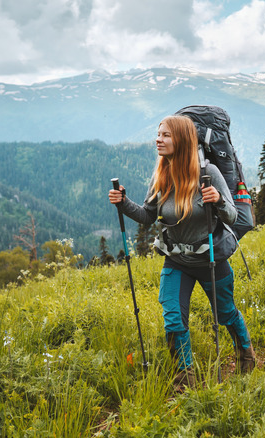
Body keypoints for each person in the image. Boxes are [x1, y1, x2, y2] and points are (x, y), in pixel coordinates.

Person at [109, 114, 256, 390]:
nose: (158, 139)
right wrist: (124, 202)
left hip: (210, 258)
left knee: (225, 313)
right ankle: (184, 383)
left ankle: (246, 356)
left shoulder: (208, 173)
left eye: (165, 135)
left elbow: (233, 216)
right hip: (176, 261)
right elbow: (147, 216)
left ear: (182, 140)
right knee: (174, 319)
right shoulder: (161, 175)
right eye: (158, 133)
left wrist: (220, 201)